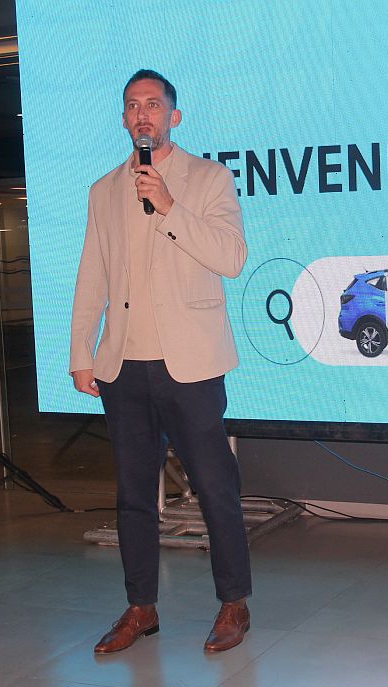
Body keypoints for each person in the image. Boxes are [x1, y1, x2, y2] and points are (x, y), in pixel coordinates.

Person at [69, 69, 252, 654]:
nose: (142, 114)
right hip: (123, 365)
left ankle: (234, 603)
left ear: (174, 116)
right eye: (132, 105)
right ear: (124, 119)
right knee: (132, 495)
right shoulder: (103, 190)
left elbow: (231, 258)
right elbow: (92, 275)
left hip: (190, 363)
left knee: (214, 487)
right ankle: (140, 608)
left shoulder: (209, 178)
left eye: (152, 104)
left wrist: (168, 205)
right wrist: (81, 353)